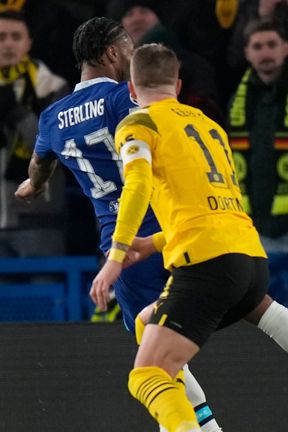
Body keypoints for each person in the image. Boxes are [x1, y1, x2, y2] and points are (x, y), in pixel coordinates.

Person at [92, 43, 288, 432]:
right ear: (177, 86)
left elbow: (137, 185)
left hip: (206, 267)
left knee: (147, 376)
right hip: (248, 255)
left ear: (130, 89)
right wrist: (154, 242)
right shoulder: (208, 126)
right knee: (154, 321)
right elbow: (211, 208)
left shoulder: (139, 123)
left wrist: (117, 254)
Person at [14, 17, 224, 431]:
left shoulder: (53, 117)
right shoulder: (121, 99)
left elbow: (38, 167)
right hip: (165, 231)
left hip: (121, 248)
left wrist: (32, 186)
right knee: (165, 360)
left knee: (156, 360)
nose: (135, 56)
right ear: (112, 54)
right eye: (130, 47)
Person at [226, 18, 288, 318]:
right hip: (253, 221)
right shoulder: (239, 96)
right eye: (257, 46)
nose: (265, 53)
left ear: (287, 47)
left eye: (272, 44)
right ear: (247, 53)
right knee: (261, 301)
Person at [0, 10, 68, 260]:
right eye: (1, 37)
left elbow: (58, 148)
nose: (8, 43)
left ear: (28, 43)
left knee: (49, 297)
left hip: (39, 222)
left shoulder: (52, 87)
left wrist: (17, 114)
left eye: (15, 37)